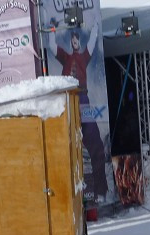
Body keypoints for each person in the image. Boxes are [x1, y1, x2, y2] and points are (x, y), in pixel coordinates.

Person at [48, 18, 107, 203]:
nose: (75, 42)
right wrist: (52, 29)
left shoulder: (83, 56)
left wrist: (95, 26)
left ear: (79, 42)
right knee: (65, 144)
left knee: (95, 143)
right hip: (67, 100)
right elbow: (51, 46)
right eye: (73, 40)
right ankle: (64, 194)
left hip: (83, 99)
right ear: (71, 42)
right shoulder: (65, 56)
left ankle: (101, 190)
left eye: (77, 40)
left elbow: (92, 42)